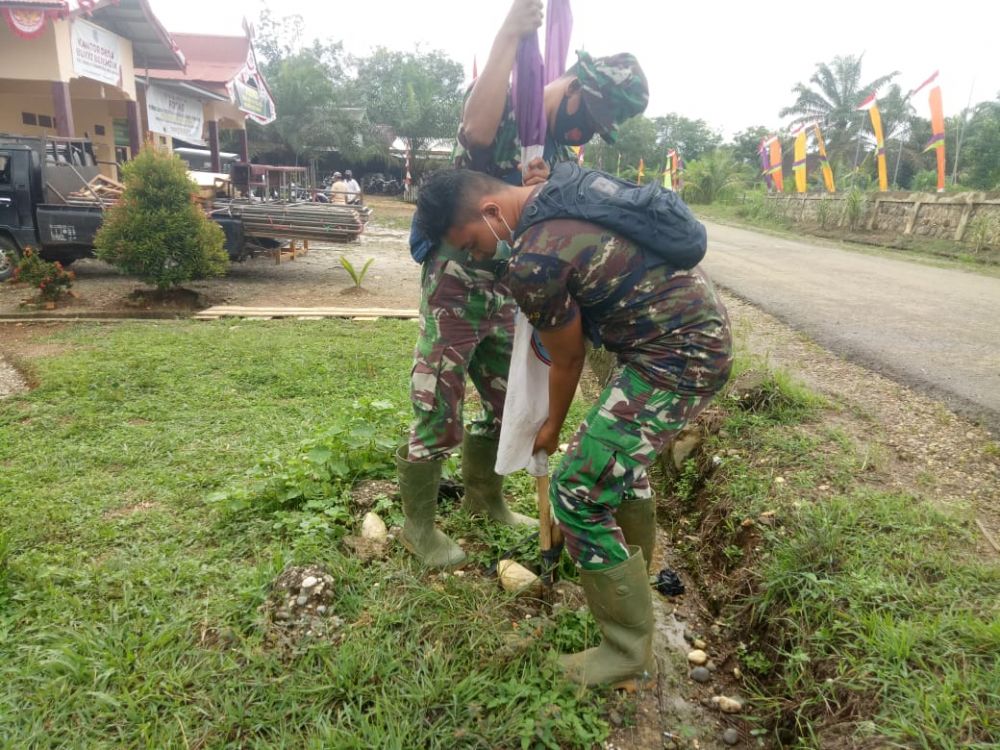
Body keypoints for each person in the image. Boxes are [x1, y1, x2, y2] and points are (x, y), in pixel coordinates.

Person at [413, 168, 733, 688]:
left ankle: (626, 651)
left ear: (492, 211)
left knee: (577, 491)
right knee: (616, 468)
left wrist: (550, 428)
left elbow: (566, 357)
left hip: (676, 360)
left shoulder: (532, 260)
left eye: (471, 245)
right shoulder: (559, 191)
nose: (474, 260)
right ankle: (633, 592)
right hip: (687, 337)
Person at [397, 0, 650, 570]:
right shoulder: (515, 108)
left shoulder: (554, 148)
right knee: (437, 395)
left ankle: (486, 498)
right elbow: (475, 129)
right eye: (593, 118)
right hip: (458, 285)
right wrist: (509, 34)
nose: (588, 131)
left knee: (506, 399)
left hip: (510, 292)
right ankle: (419, 527)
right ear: (578, 86)